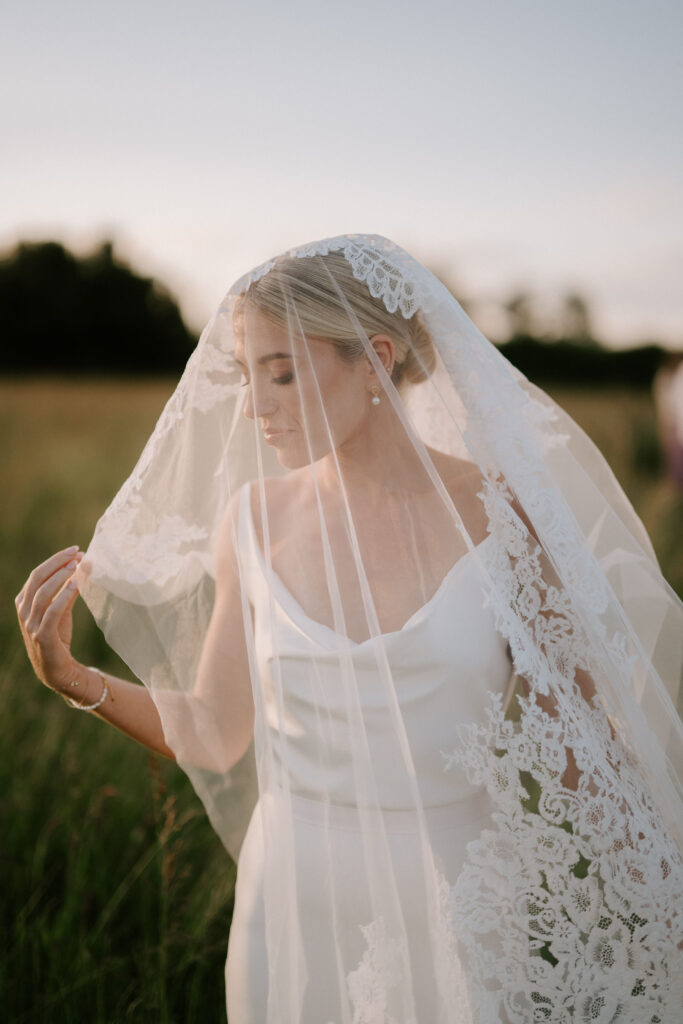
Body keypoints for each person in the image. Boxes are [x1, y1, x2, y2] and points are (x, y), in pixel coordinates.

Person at [17, 235, 683, 1023]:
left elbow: (578, 752)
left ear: (373, 358)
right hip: (291, 904)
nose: (256, 406)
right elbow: (213, 730)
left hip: (454, 904)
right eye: (247, 374)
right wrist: (74, 680)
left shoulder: (505, 521)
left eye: (283, 372)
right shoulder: (254, 521)